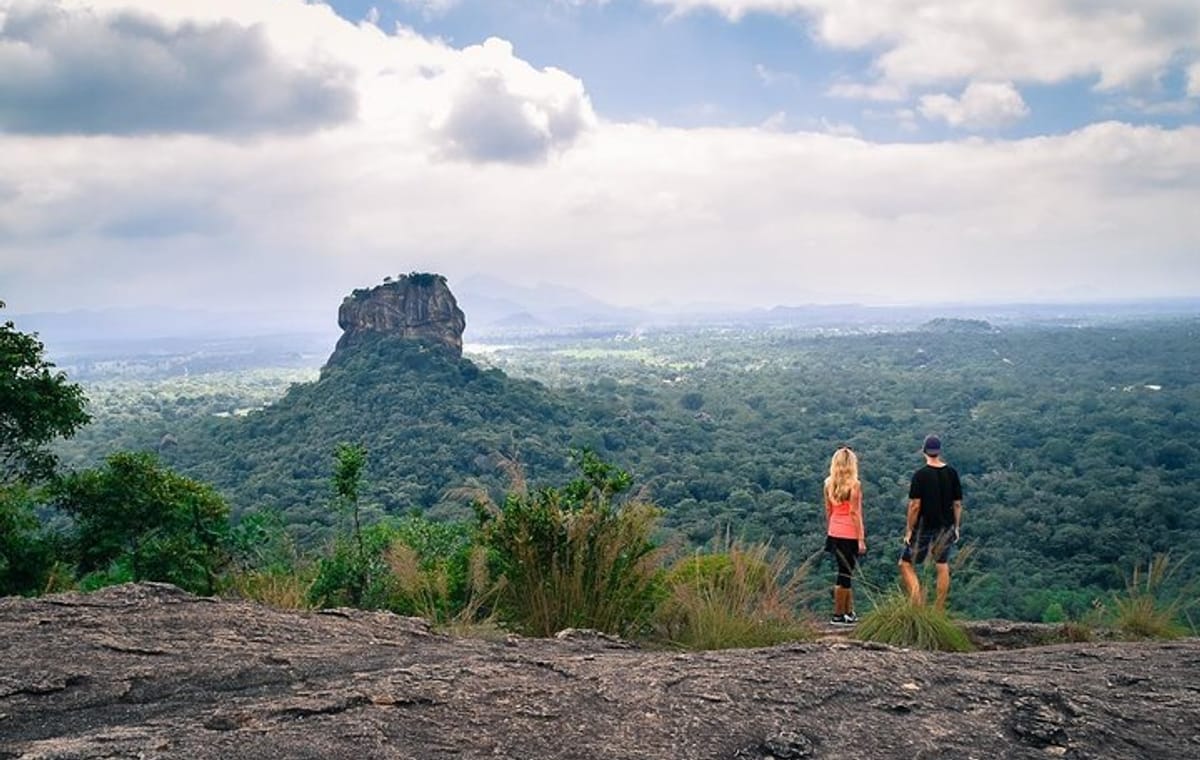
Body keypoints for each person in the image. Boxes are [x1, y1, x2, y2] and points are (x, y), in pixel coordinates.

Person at [899, 434, 963, 610]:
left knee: (905, 563)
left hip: (924, 528)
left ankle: (917, 601)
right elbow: (957, 504)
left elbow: (915, 506)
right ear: (939, 451)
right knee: (942, 565)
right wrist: (956, 527)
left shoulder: (920, 475)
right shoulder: (952, 473)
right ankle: (939, 608)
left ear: (923, 451)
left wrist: (909, 530)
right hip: (946, 526)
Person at [824, 446, 867, 625]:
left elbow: (828, 509)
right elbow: (855, 513)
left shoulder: (828, 483)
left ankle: (848, 612)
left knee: (846, 573)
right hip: (849, 534)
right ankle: (838, 614)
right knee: (845, 574)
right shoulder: (855, 485)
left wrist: (831, 528)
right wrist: (861, 539)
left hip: (834, 531)